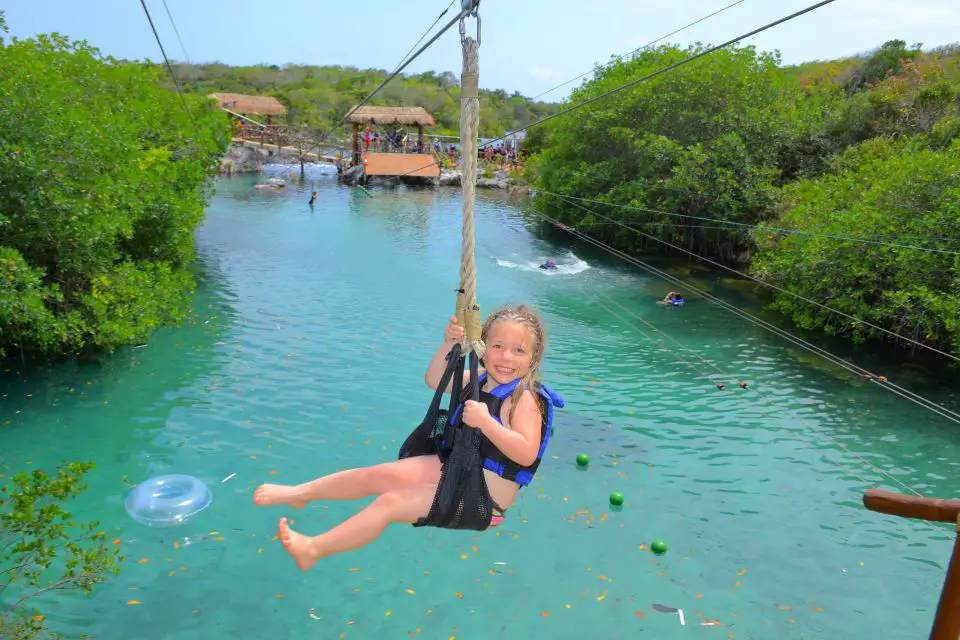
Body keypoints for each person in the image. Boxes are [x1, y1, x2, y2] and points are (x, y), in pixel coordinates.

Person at [253, 305, 551, 570]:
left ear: (534, 357)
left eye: (519, 350)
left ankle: (313, 550)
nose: (506, 357)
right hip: (456, 471)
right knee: (376, 475)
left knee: (391, 503)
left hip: (482, 501)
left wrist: (487, 423)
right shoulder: (478, 380)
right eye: (498, 346)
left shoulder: (524, 399)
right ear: (482, 346)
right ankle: (300, 494)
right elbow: (435, 379)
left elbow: (526, 453)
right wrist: (448, 343)